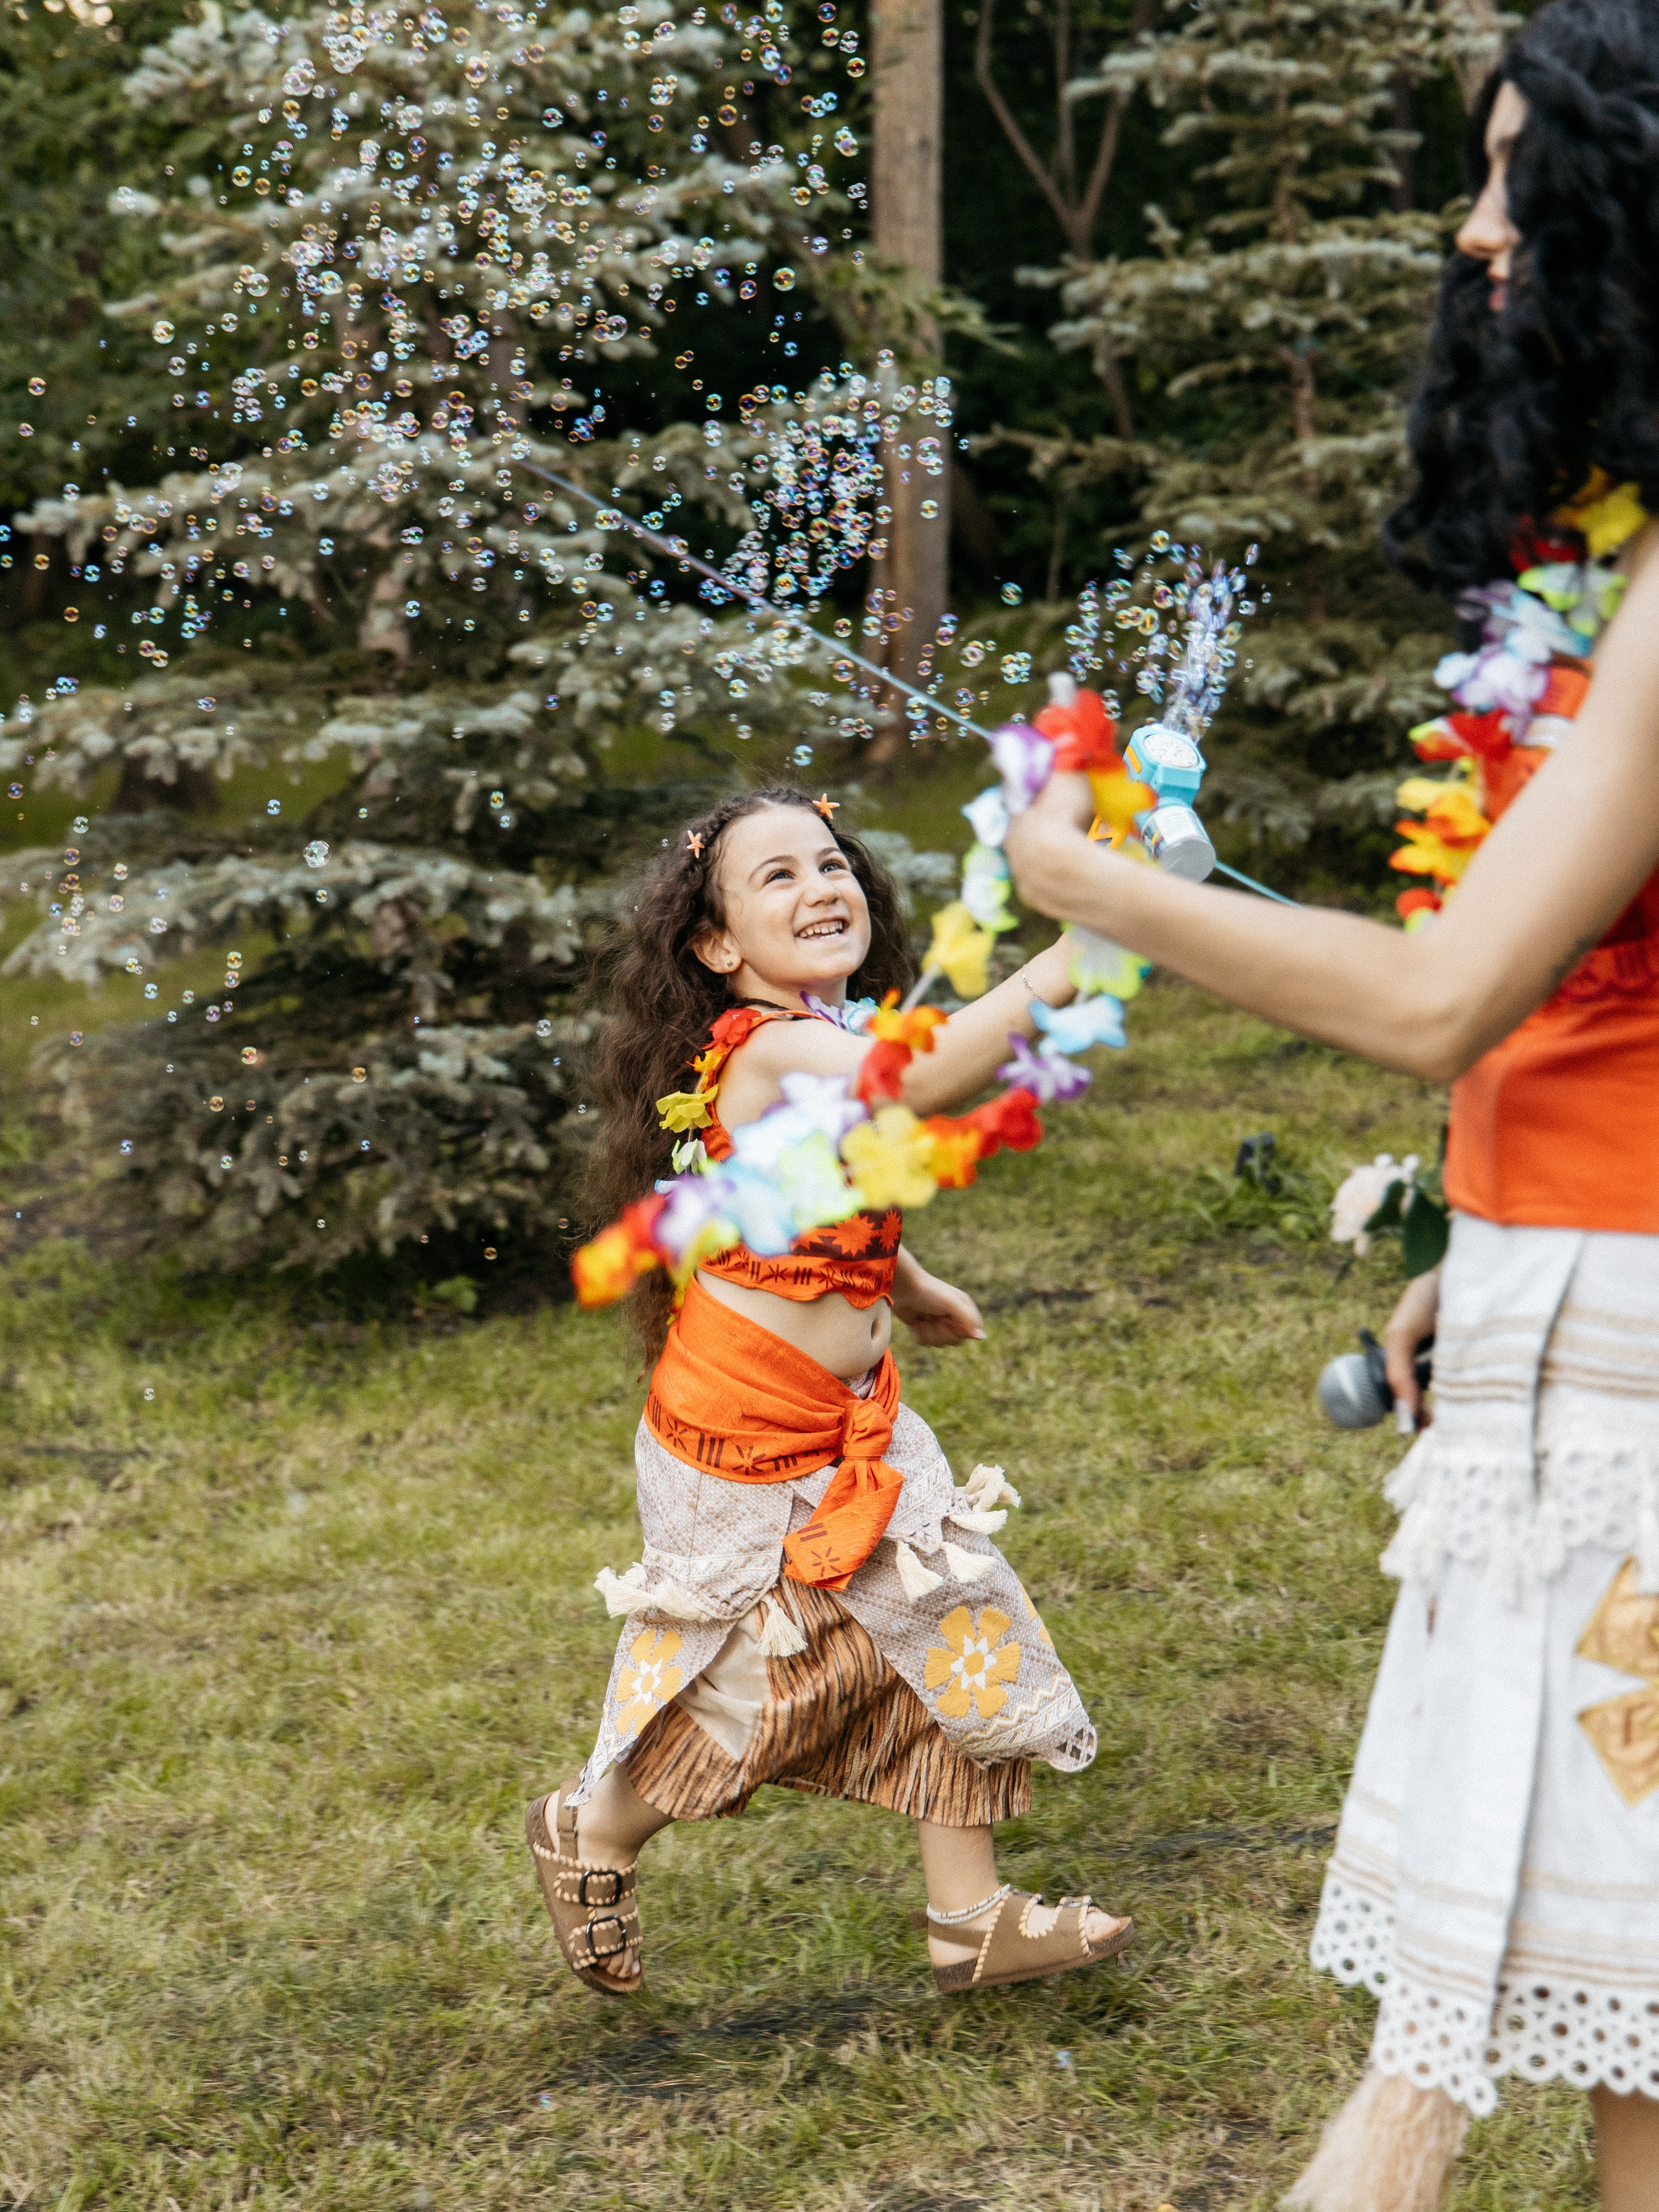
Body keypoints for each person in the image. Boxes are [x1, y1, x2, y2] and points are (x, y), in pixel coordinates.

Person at [1006, 3, 1659, 2204]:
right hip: (1571, 1313)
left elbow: (1449, 991)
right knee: (1619, 2006)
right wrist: (1485, 1262)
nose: (1475, 229)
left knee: (1507, 1984)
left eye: (1515, 181)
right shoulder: (1614, 568)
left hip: (1637, 1375)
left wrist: (1101, 890)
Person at [527, 786, 1131, 2001]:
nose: (822, 887)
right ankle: (594, 1826)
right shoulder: (773, 1046)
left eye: (832, 862)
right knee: (774, 1680)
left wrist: (901, 1282)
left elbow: (823, 1184)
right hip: (749, 1434)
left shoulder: (824, 1029)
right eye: (779, 877)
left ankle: (971, 1916)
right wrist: (1071, 956)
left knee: (947, 1616)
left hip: (851, 1413)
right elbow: (915, 1082)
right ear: (714, 946)